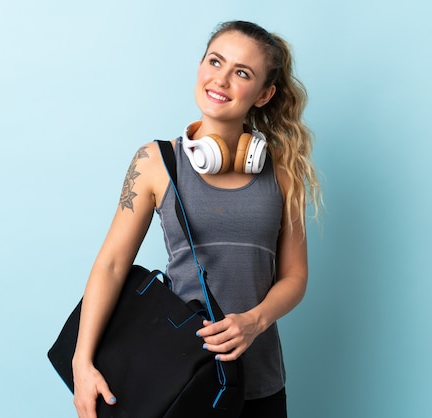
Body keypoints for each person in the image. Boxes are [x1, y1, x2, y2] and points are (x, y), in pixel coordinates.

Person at [71, 20, 321, 418]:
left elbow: (295, 277)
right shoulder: (155, 162)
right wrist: (81, 362)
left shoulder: (284, 174)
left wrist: (255, 321)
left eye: (242, 73)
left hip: (261, 383)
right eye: (215, 61)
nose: (220, 79)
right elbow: (113, 264)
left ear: (264, 94)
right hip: (180, 378)